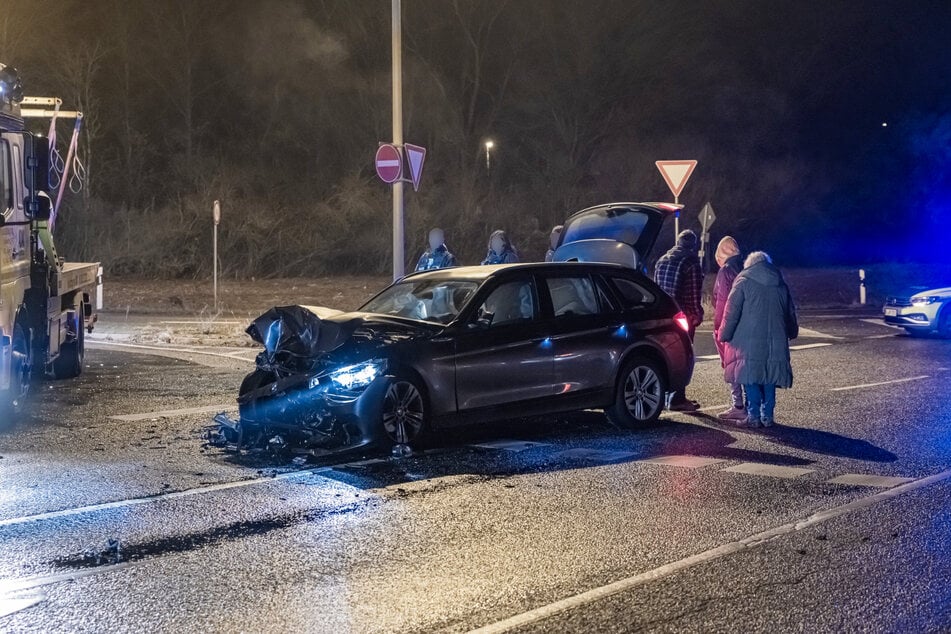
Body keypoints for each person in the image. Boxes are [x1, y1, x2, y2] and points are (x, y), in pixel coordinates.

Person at [718, 251, 798, 428]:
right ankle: (767, 416)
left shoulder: (743, 281)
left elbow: (731, 313)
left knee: (750, 376)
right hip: (775, 339)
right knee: (769, 375)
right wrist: (792, 331)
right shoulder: (780, 283)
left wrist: (724, 334)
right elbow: (789, 312)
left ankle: (753, 416)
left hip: (748, 340)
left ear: (750, 264)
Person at [653, 229, 704, 410]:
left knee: (668, 353)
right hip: (682, 316)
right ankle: (677, 399)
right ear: (693, 245)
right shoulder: (691, 263)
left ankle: (664, 396)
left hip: (663, 315)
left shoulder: (662, 259)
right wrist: (697, 315)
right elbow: (693, 294)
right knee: (683, 355)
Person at [712, 236, 746, 421]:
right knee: (745, 364)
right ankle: (750, 405)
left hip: (730, 324)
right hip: (746, 323)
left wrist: (718, 328)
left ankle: (737, 405)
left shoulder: (726, 270)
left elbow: (723, 302)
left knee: (731, 364)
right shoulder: (745, 266)